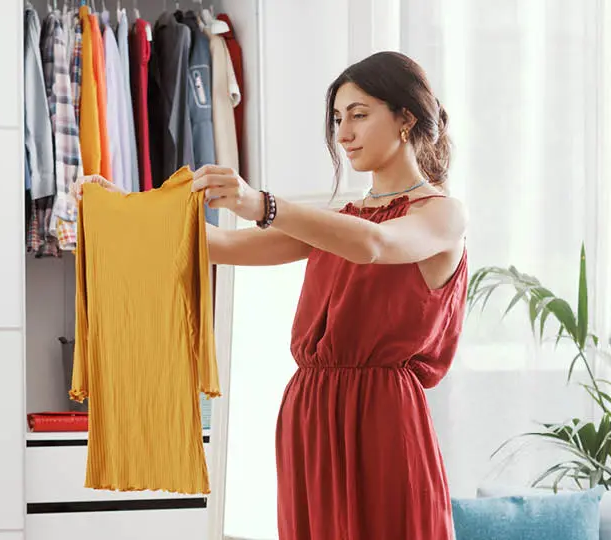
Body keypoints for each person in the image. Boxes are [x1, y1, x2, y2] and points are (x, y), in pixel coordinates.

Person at [70, 50, 467, 540]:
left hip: (382, 416)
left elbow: (374, 247)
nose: (343, 134)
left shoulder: (443, 215)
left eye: (359, 116)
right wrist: (117, 207)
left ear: (406, 117)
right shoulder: (346, 217)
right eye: (338, 119)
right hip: (310, 412)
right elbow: (220, 247)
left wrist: (261, 203)